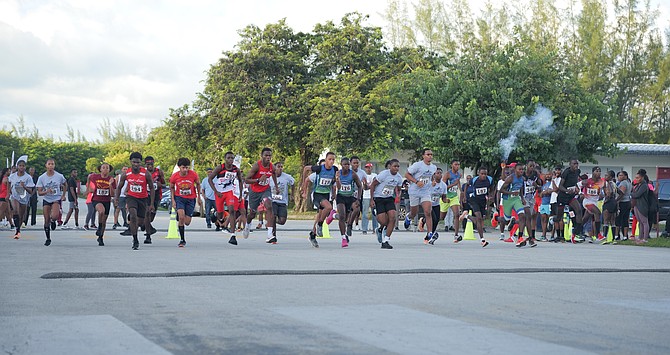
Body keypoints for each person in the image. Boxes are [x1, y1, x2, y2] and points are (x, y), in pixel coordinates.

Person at [115, 152, 155, 250]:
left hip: (143, 198)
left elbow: (152, 188)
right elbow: (119, 187)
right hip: (131, 197)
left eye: (138, 163)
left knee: (140, 222)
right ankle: (135, 239)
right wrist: (116, 198)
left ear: (140, 163)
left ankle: (136, 225)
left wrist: (151, 204)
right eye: (134, 162)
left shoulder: (146, 173)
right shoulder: (126, 173)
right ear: (131, 162)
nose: (136, 165)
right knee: (133, 216)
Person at [302, 152, 338, 248]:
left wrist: (334, 193)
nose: (331, 161)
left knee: (320, 216)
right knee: (329, 207)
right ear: (326, 160)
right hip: (317, 194)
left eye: (333, 160)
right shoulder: (319, 169)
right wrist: (304, 190)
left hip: (326, 195)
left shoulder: (334, 169)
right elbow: (306, 169)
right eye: (330, 159)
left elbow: (334, 183)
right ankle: (320, 225)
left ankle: (313, 235)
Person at [209, 152, 245, 245]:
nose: (230, 160)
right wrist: (216, 191)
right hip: (219, 193)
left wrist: (241, 194)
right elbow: (210, 179)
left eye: (232, 158)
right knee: (220, 215)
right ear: (225, 159)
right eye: (228, 158)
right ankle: (216, 214)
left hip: (229, 191)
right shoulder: (220, 168)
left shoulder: (235, 169)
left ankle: (233, 235)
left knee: (232, 210)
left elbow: (240, 181)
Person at [403, 149, 438, 244]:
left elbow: (431, 176)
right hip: (414, 191)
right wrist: (416, 182)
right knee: (414, 212)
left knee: (428, 211)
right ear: (423, 156)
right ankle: (408, 217)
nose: (430, 156)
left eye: (431, 154)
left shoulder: (433, 167)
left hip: (425, 191)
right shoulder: (417, 165)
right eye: (428, 154)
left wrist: (433, 181)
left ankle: (430, 233)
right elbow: (406, 174)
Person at [245, 148, 280, 241]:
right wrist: (258, 180)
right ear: (262, 156)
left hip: (265, 190)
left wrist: (276, 187)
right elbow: (246, 179)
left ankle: (270, 234)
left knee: (269, 206)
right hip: (254, 191)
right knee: (252, 213)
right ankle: (247, 225)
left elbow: (273, 175)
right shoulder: (256, 166)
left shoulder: (272, 167)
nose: (268, 157)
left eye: (270, 156)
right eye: (266, 155)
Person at [369, 159, 403, 249]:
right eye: (394, 166)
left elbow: (399, 188)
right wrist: (371, 199)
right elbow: (373, 185)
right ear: (390, 166)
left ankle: (386, 241)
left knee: (393, 217)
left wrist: (398, 195)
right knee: (384, 221)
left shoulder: (399, 177)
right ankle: (380, 229)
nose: (396, 168)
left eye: (398, 166)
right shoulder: (384, 174)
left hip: (389, 198)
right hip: (379, 198)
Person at [500, 163, 535, 247]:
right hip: (508, 200)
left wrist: (522, 199)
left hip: (516, 199)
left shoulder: (522, 179)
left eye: (522, 169)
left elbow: (521, 190)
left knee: (523, 216)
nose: (521, 171)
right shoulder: (510, 178)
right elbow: (501, 190)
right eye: (519, 169)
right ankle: (496, 218)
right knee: (506, 220)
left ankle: (519, 237)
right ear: (515, 170)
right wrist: (511, 192)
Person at [170, 158, 201, 247]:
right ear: (179, 167)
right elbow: (171, 187)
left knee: (187, 222)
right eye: (183, 167)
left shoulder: (193, 174)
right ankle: (182, 239)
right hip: (179, 198)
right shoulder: (175, 176)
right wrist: (173, 200)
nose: (185, 170)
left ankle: (180, 216)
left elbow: (198, 184)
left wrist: (199, 197)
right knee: (182, 218)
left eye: (187, 168)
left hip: (190, 199)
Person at [332, 157, 363, 248]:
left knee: (357, 209)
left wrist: (358, 199)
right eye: (345, 164)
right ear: (341, 165)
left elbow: (359, 186)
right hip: (341, 197)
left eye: (348, 164)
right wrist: (337, 179)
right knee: (342, 216)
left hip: (350, 196)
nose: (347, 166)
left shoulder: (352, 174)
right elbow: (335, 186)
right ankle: (343, 238)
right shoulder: (338, 174)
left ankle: (349, 224)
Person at [460, 166, 495, 247]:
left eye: (485, 174)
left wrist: (491, 195)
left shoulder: (489, 180)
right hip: (474, 200)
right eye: (482, 174)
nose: (483, 176)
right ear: (478, 174)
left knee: (481, 219)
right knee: (478, 217)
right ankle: (482, 239)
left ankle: (467, 216)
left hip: (483, 201)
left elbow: (492, 189)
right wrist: (465, 196)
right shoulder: (474, 180)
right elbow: (466, 185)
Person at [36, 158, 67, 246]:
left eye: (52, 164)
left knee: (54, 216)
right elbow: (39, 192)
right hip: (47, 199)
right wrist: (46, 191)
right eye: (49, 164)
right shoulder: (42, 178)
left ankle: (53, 221)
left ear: (54, 165)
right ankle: (48, 238)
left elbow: (65, 184)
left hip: (56, 198)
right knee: (46, 220)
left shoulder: (59, 176)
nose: (50, 166)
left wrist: (63, 195)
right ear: (46, 165)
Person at [86, 163, 117, 246]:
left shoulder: (112, 179)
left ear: (109, 170)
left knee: (104, 221)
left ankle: (101, 237)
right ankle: (99, 227)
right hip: (96, 200)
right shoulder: (95, 177)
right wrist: (88, 188)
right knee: (101, 211)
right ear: (100, 169)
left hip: (106, 201)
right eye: (103, 167)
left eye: (107, 168)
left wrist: (110, 185)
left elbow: (113, 194)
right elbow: (89, 177)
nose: (105, 169)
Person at [557, 159, 586, 243]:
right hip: (562, 196)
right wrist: (566, 190)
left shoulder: (577, 172)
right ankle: (553, 220)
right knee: (559, 217)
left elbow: (575, 182)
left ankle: (577, 233)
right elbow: (560, 186)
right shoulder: (566, 172)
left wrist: (577, 189)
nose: (576, 165)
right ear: (570, 165)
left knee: (579, 210)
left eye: (577, 164)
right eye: (574, 164)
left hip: (571, 196)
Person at [268, 161, 295, 244]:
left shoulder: (287, 177)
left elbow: (293, 183)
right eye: (278, 167)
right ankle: (273, 236)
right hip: (272, 201)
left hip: (282, 201)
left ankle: (270, 221)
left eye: (281, 167)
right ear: (274, 168)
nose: (280, 168)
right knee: (273, 215)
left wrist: (292, 195)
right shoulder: (269, 177)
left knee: (282, 221)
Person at [8, 160, 35, 239]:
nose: (21, 167)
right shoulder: (13, 176)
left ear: (25, 167)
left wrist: (24, 186)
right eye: (20, 166)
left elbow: (30, 191)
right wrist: (8, 193)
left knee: (21, 215)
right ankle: (16, 228)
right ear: (17, 166)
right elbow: (8, 183)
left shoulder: (28, 177)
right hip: (15, 196)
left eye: (23, 166)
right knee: (15, 211)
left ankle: (18, 229)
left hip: (24, 198)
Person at [581, 166, 606, 242]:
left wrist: (603, 194)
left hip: (595, 202)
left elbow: (603, 191)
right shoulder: (588, 181)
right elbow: (578, 185)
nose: (598, 173)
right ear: (593, 172)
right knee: (597, 212)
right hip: (587, 201)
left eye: (599, 171)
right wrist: (580, 193)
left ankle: (576, 231)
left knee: (585, 218)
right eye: (596, 171)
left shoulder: (602, 182)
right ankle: (598, 235)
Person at [143, 156, 165, 238]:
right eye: (148, 164)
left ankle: (145, 225)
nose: (150, 166)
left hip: (156, 195)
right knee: (147, 213)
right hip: (146, 195)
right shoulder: (143, 172)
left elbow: (164, 184)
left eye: (151, 164)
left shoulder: (159, 172)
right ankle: (148, 235)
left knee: (151, 217)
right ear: (145, 164)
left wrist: (160, 185)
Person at [442, 159, 462, 241]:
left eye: (458, 164)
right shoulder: (447, 174)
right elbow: (442, 187)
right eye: (455, 164)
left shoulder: (459, 174)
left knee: (457, 214)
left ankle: (456, 235)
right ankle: (424, 221)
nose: (457, 166)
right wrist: (453, 184)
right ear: (452, 165)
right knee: (441, 217)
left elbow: (458, 183)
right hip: (446, 196)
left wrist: (462, 191)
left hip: (454, 196)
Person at [427, 168, 448, 245]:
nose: (440, 174)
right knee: (434, 218)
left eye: (440, 173)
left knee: (437, 220)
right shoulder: (430, 184)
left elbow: (443, 197)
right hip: (429, 204)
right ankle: (430, 233)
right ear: (434, 175)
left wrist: (446, 200)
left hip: (436, 204)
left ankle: (429, 235)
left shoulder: (443, 185)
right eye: (438, 173)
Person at [631, 169, 651, 243]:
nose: (636, 179)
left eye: (638, 178)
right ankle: (640, 238)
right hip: (637, 204)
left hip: (642, 205)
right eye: (636, 178)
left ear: (642, 177)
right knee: (640, 222)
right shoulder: (638, 185)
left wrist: (631, 194)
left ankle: (645, 239)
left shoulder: (644, 185)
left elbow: (637, 194)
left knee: (644, 222)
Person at [601, 170, 618, 244]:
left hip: (608, 202)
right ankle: (613, 238)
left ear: (610, 177)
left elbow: (609, 192)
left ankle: (605, 237)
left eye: (606, 175)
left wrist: (606, 198)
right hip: (614, 202)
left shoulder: (607, 184)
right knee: (613, 221)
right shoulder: (614, 184)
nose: (605, 177)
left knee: (606, 220)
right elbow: (620, 192)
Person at [361, 163, 378, 235]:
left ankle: (375, 228)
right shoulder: (363, 176)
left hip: (373, 196)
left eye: (369, 167)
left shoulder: (375, 175)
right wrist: (368, 186)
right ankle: (364, 229)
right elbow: (364, 188)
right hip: (366, 196)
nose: (368, 169)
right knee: (365, 213)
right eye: (367, 167)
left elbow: (375, 185)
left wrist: (370, 186)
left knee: (374, 213)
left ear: (372, 168)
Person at [616, 171, 632, 241]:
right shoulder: (629, 183)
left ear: (625, 176)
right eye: (619, 175)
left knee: (618, 219)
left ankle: (617, 235)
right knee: (625, 219)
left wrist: (616, 201)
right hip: (628, 201)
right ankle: (625, 236)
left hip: (622, 202)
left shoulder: (623, 183)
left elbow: (622, 193)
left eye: (621, 175)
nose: (619, 177)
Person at [539, 171, 554, 241]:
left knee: (551, 220)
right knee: (543, 220)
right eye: (547, 174)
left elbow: (550, 192)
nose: (548, 176)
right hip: (543, 204)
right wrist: (543, 193)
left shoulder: (552, 184)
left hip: (549, 204)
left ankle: (552, 236)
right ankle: (543, 235)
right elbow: (541, 194)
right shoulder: (544, 185)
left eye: (549, 174)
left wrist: (544, 192)